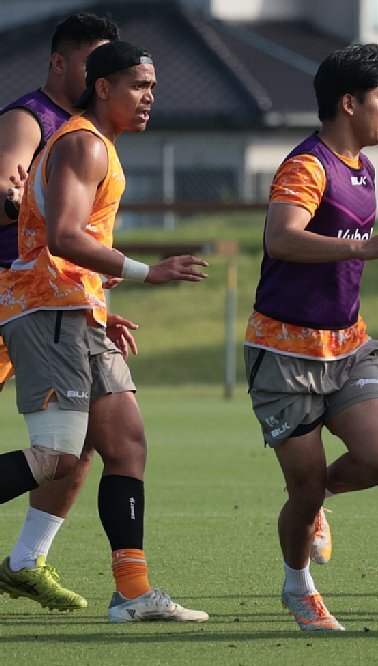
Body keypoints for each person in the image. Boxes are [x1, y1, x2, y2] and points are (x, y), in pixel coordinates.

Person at [0, 40, 209, 623]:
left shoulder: (99, 145)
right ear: (103, 88)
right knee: (57, 458)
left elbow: (65, 247)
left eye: (153, 87)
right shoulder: (83, 144)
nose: (150, 98)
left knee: (126, 446)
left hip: (76, 311)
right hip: (47, 314)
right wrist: (148, 272)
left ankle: (133, 592)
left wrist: (97, 303)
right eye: (139, 86)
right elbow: (65, 236)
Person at [244, 43, 378, 632]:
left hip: (347, 345)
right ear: (350, 102)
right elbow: (282, 239)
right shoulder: (307, 165)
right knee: (305, 486)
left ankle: (314, 506)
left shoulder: (363, 167)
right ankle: (297, 585)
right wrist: (362, 246)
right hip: (285, 352)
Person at [0, 11, 121, 613]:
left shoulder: (91, 132)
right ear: (61, 63)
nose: (102, 75)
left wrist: (100, 300)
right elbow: (7, 183)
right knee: (61, 444)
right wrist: (12, 196)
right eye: (91, 62)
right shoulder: (31, 119)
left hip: (64, 305)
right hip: (17, 297)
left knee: (81, 442)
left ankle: (26, 561)